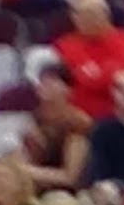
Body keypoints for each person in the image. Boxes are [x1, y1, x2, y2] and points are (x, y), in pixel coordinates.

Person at [53, 0, 124, 123]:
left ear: (106, 15)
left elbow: (115, 80)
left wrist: (94, 75)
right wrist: (100, 74)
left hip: (118, 116)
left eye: (92, 15)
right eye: (79, 15)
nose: (86, 20)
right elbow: (83, 78)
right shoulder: (65, 44)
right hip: (77, 118)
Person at [21, 63, 92, 193]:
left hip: (65, 192)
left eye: (53, 81)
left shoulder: (77, 123)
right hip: (34, 186)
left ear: (68, 90)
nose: (46, 85)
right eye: (43, 81)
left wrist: (25, 171)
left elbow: (70, 177)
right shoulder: (35, 118)